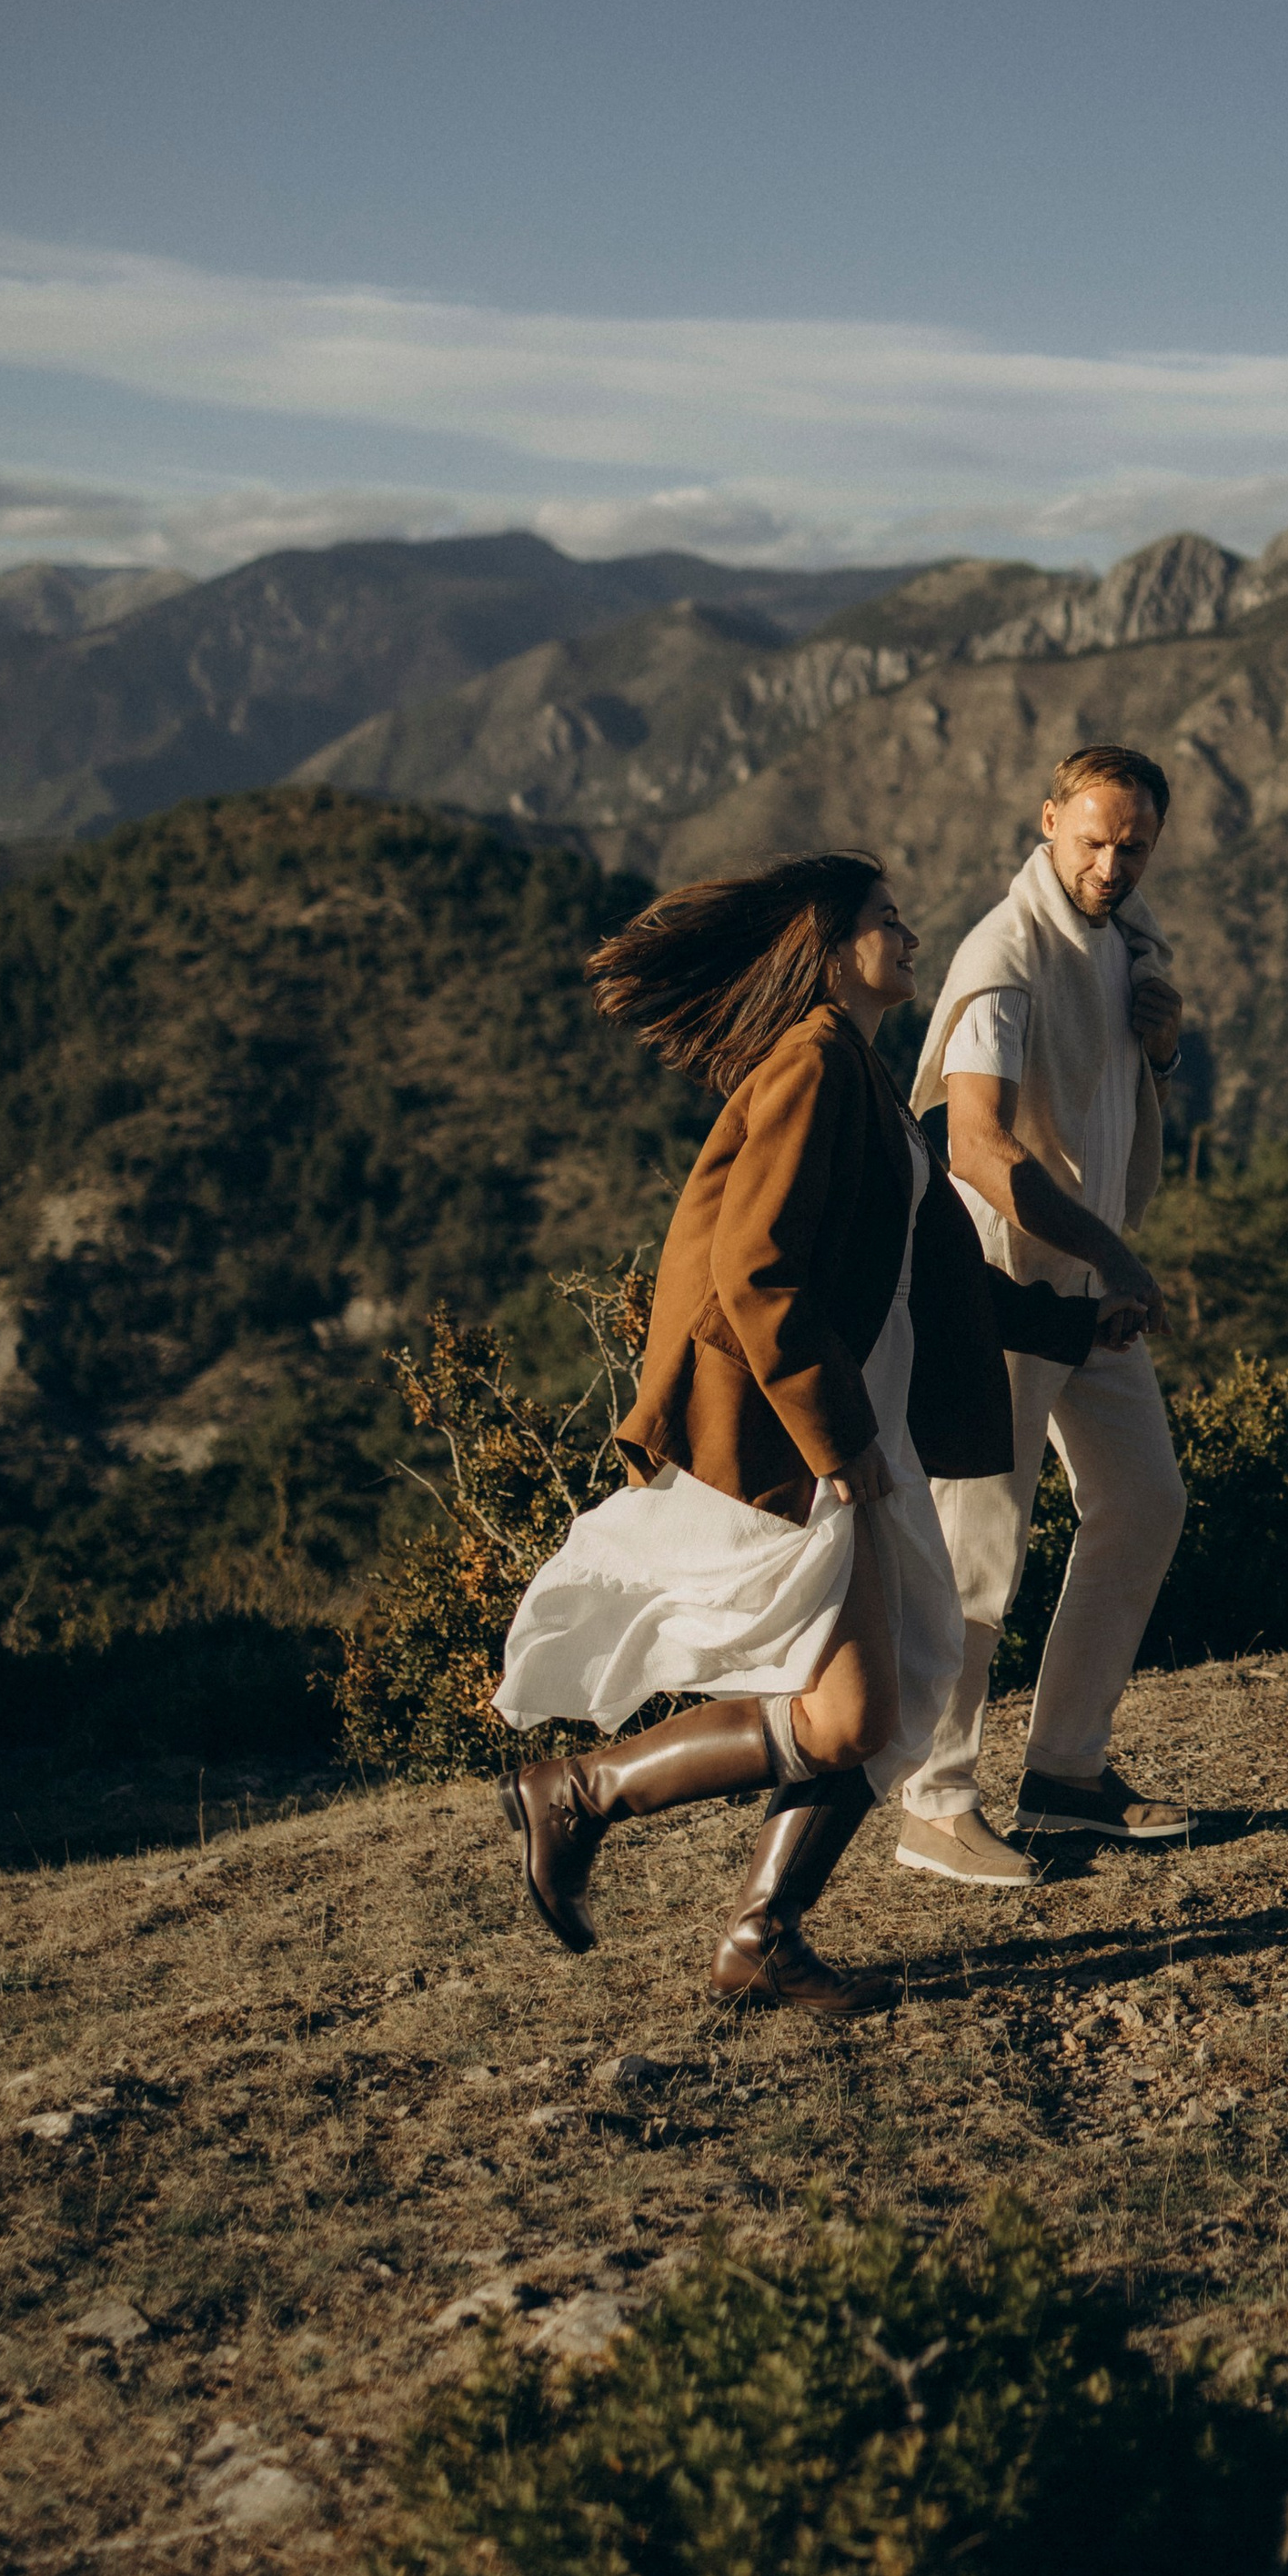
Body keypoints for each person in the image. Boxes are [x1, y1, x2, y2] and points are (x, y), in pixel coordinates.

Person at [491, 854, 1112, 2014]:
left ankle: (750, 1934)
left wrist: (1066, 1322)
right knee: (866, 1709)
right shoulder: (813, 1064)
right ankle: (587, 1801)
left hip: (847, 1425)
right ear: (826, 948)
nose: (912, 935)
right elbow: (754, 1268)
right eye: (887, 919)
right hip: (796, 1434)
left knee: (880, 1701)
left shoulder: (860, 1075)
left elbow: (934, 1283)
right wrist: (837, 1445)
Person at [895, 744, 1191, 1887]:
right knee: (975, 1555)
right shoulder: (1005, 955)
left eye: (1133, 847)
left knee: (1143, 1502)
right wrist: (1113, 1251)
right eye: (1094, 840)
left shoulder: (1124, 942)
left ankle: (1065, 1773)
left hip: (1083, 1299)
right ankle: (933, 1803)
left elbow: (1110, 1094)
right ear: (1049, 820)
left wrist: (1159, 1044)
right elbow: (975, 1143)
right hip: (1001, 1292)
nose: (1112, 865)